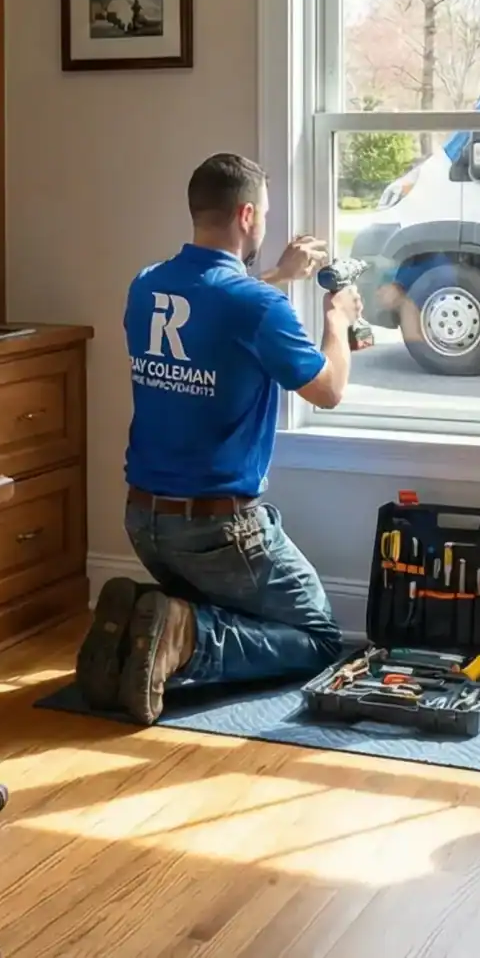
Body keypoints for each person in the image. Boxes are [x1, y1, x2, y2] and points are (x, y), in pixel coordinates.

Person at [73, 152, 364, 723]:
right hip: (216, 532)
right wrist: (337, 320)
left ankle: (146, 615)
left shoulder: (146, 285)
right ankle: (186, 635)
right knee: (318, 637)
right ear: (248, 214)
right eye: (266, 215)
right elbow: (326, 389)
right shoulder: (257, 305)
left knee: (222, 598)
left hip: (143, 521)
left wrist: (279, 277)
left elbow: (212, 311)